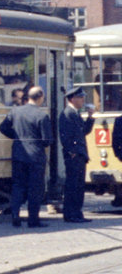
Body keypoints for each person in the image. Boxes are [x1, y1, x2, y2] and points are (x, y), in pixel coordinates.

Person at [0, 86, 53, 227]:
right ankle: (33, 220)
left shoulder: (15, 111)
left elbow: (2, 127)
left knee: (18, 186)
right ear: (40, 97)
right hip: (35, 157)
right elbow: (47, 141)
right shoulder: (42, 116)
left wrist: (16, 137)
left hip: (18, 154)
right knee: (35, 188)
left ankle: (15, 215)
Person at [59, 87, 94, 223]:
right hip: (74, 155)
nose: (83, 100)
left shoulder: (75, 113)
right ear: (72, 99)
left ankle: (77, 213)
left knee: (79, 185)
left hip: (80, 154)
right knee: (73, 185)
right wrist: (71, 152)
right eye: (80, 97)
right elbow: (65, 136)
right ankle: (71, 214)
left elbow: (83, 131)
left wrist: (90, 117)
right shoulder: (67, 114)